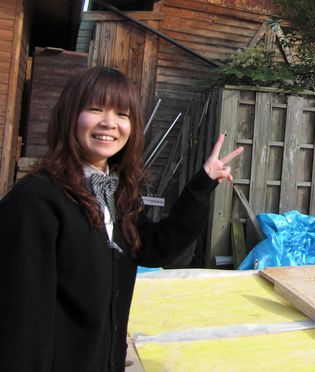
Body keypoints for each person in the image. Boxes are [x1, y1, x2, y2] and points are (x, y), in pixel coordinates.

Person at [0, 66, 243, 371]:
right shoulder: (36, 200)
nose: (109, 123)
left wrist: (202, 183)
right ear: (69, 116)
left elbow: (155, 248)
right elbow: (20, 322)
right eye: (95, 109)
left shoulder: (117, 194)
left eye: (122, 114)